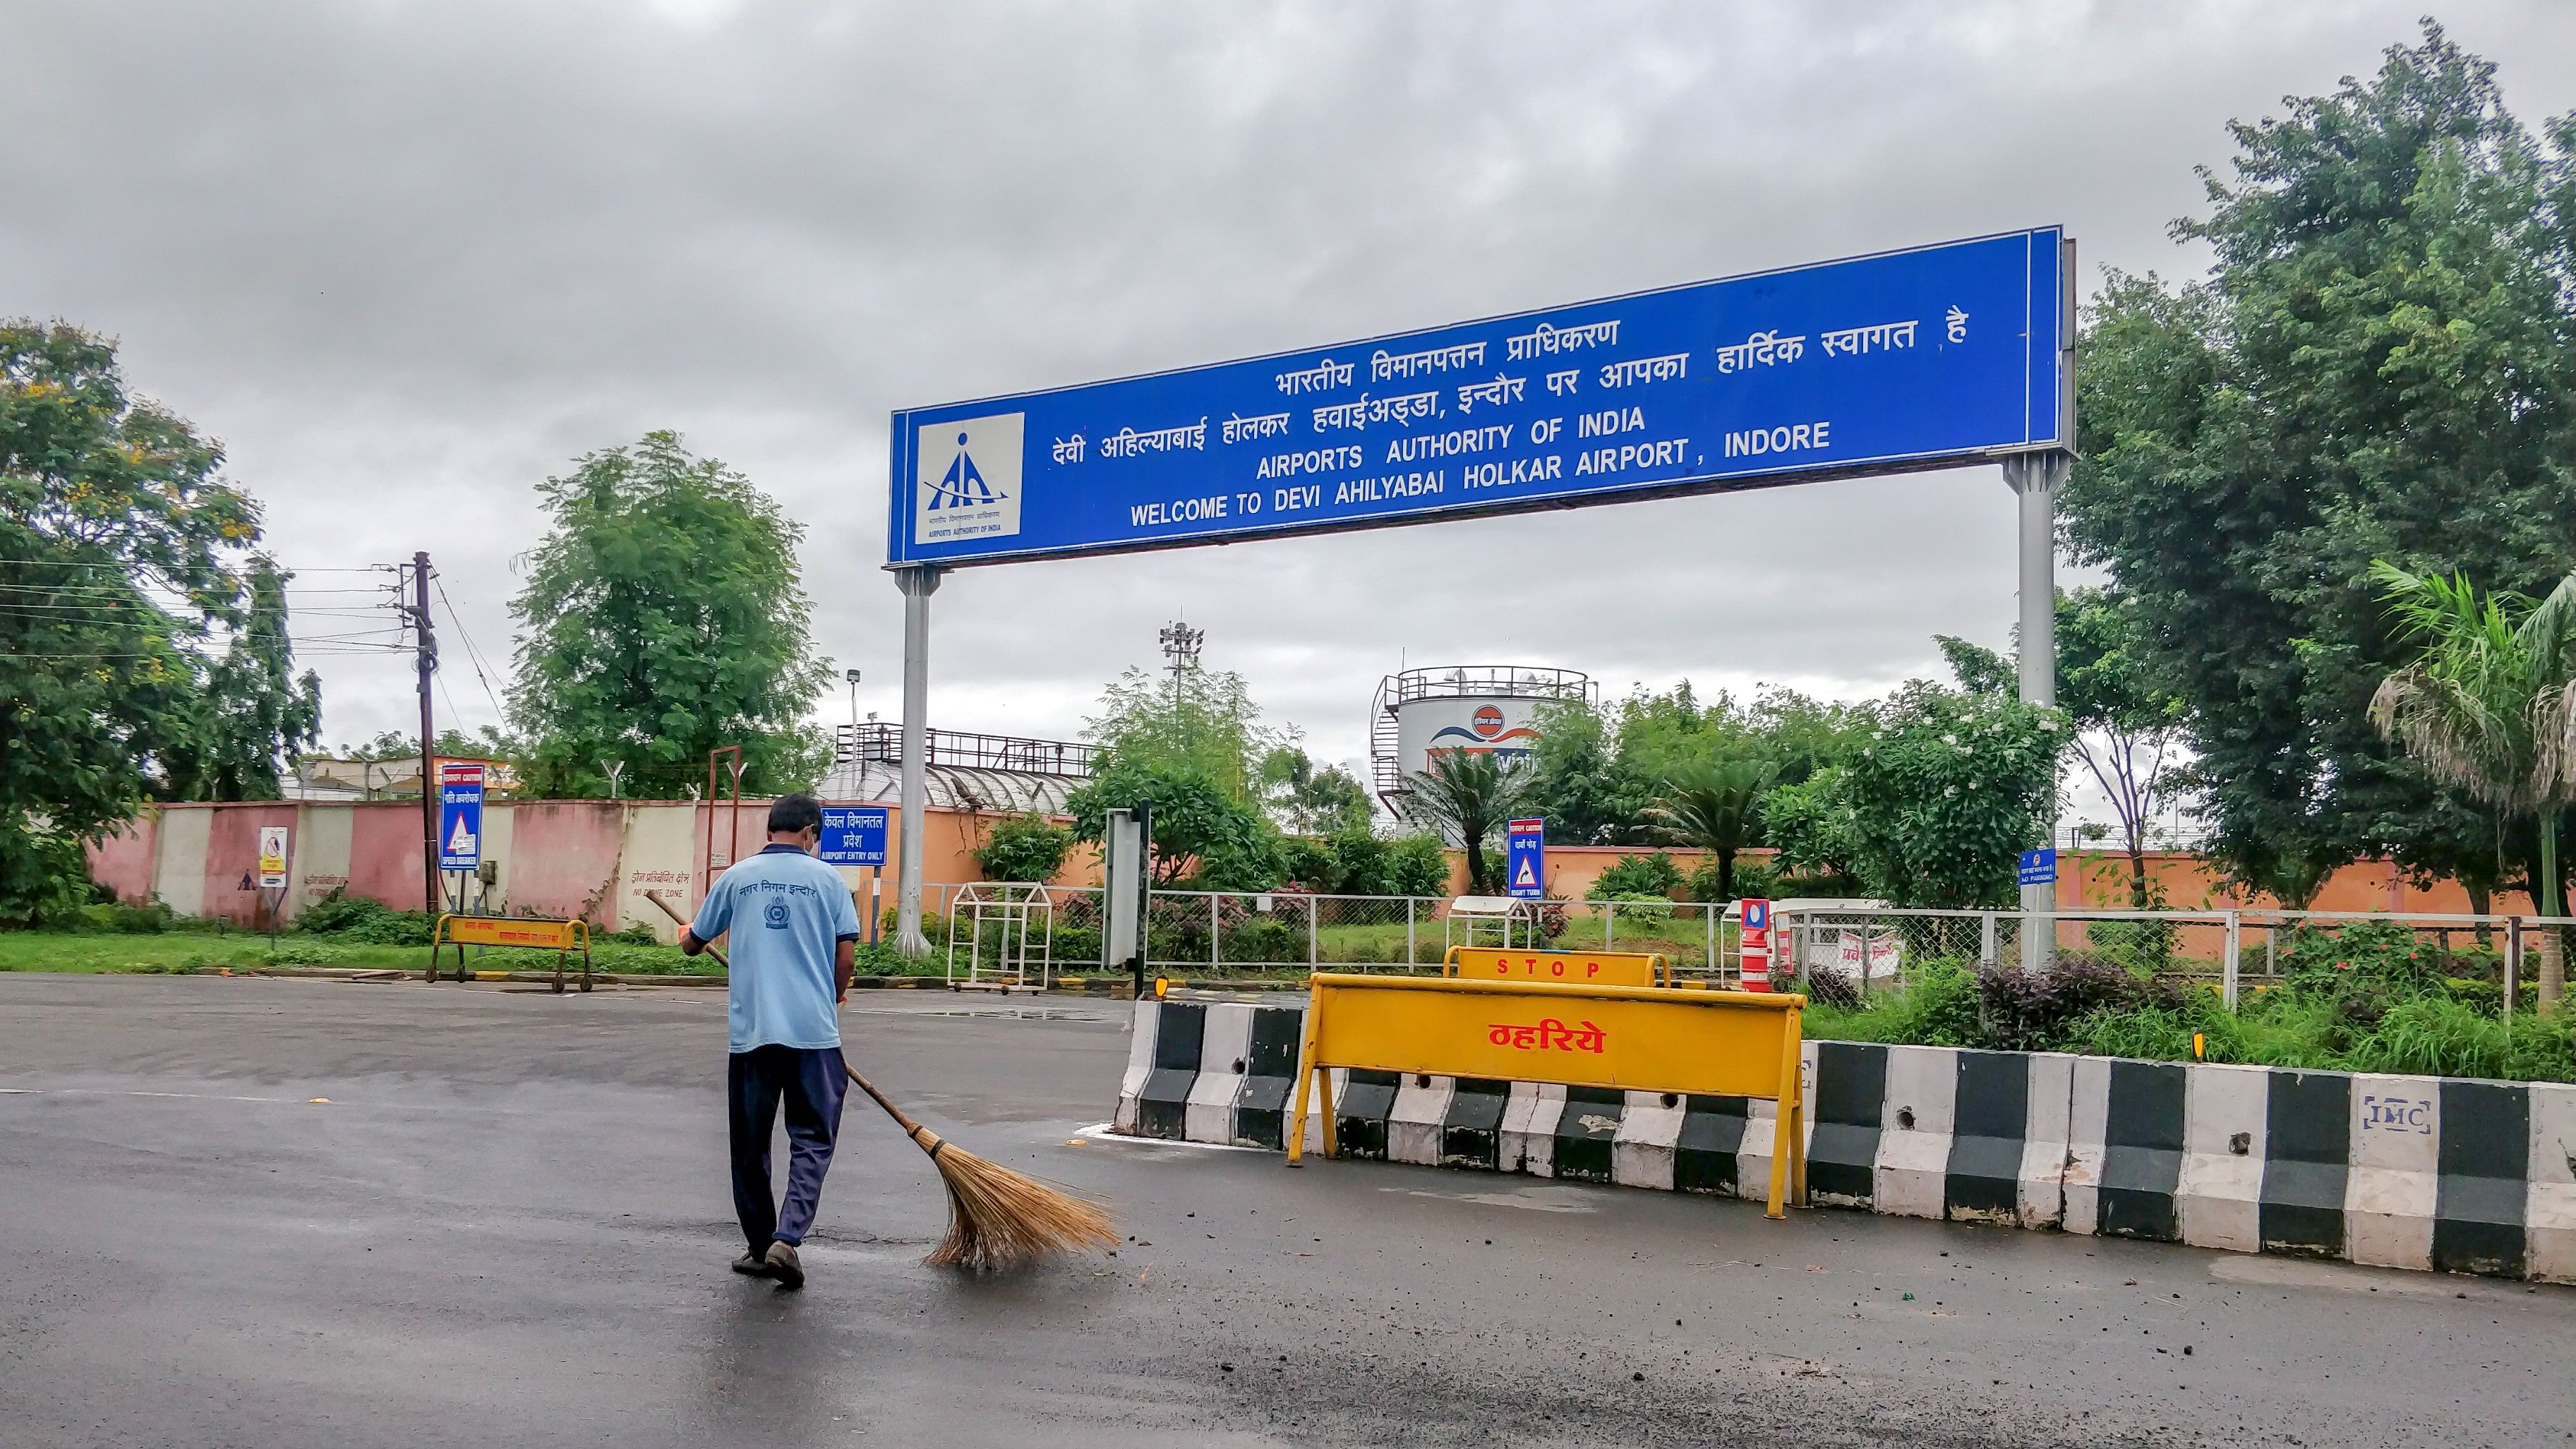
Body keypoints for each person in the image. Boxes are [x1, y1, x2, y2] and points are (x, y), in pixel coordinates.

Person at [680, 791, 861, 1290]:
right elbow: (844, 961)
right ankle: (788, 1236)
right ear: (809, 834)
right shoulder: (829, 881)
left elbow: (695, 942)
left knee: (750, 1145)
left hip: (753, 1036)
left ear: (771, 830)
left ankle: (761, 1247)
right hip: (813, 1035)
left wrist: (684, 934)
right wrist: (836, 995)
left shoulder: (735, 877)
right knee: (813, 1138)